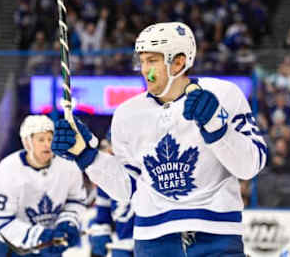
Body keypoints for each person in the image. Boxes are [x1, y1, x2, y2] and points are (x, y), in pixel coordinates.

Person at [52, 22, 268, 256]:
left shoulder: (223, 95)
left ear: (179, 62)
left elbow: (250, 166)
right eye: (142, 61)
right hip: (153, 241)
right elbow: (129, 187)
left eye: (152, 61)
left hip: (217, 236)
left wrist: (217, 127)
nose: (145, 70)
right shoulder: (127, 114)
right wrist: (87, 155)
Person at [0, 115, 87, 257]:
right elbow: (0, 219)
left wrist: (68, 223)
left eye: (50, 139)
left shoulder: (68, 166)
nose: (47, 144)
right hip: (13, 246)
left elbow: (76, 200)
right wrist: (39, 236)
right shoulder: (8, 168)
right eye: (41, 140)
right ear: (27, 143)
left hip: (50, 245)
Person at [88, 131, 134, 257]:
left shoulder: (149, 171)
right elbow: (102, 217)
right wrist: (99, 231)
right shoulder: (107, 180)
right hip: (122, 247)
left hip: (153, 246)